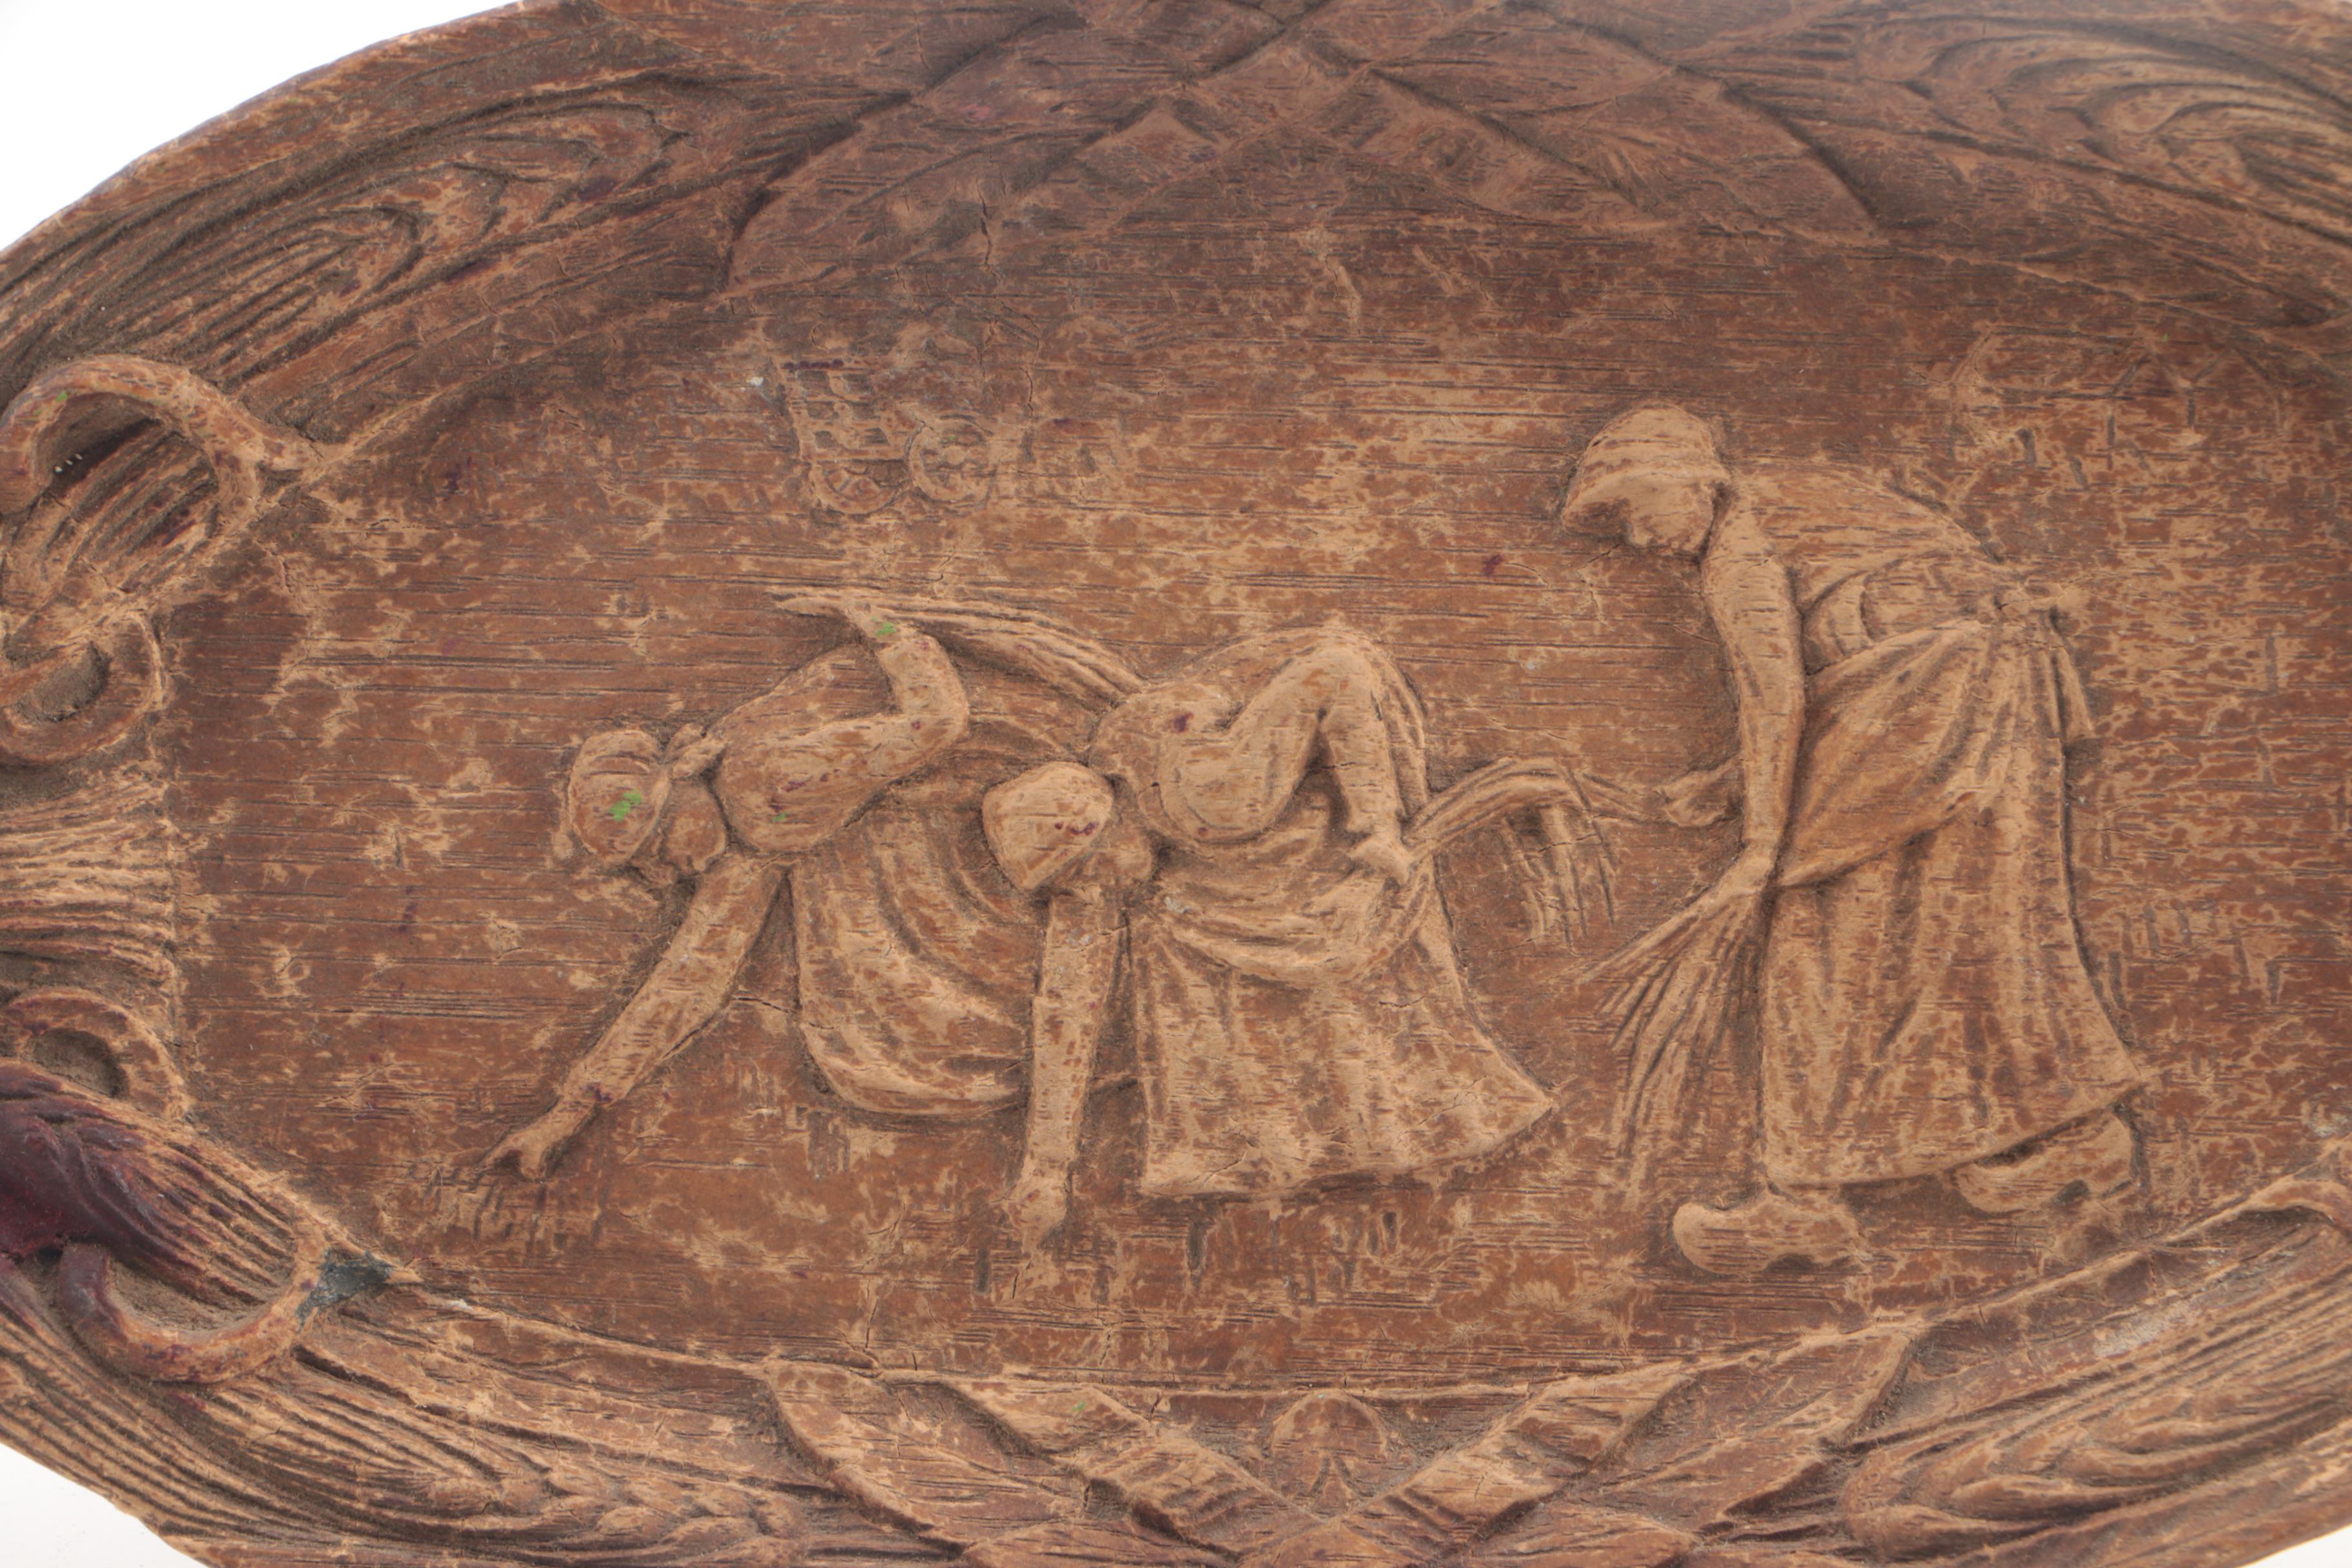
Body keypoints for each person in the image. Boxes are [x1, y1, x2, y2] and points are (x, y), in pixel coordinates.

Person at [1567, 406, 2143, 1274]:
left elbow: (1776, 697)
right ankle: (2080, 1138)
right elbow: (1849, 672)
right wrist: (1730, 782)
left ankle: (1804, 1202)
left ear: (1692, 478)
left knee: (1818, 939)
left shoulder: (1742, 550)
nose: (1639, 538)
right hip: (1983, 696)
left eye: (1635, 507)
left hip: (1940, 701)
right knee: (1977, 928)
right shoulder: (1798, 496)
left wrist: (1759, 851)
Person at [985, 624, 1558, 1247]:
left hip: (1324, 817)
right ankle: (1261, 1142)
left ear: (1096, 832)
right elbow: (1069, 1003)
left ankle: (1385, 1118)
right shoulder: (1109, 854)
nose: (1090, 893)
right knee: (1164, 921)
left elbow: (1338, 668)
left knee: (1181, 917)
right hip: (1240, 848)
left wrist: (1377, 827)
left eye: (1081, 876)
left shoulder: (1212, 794)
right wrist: (1046, 1169)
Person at [486, 593, 1032, 1177]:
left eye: (653, 853)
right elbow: (690, 978)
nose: (662, 876)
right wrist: (566, 1116)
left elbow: (939, 723)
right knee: (872, 1020)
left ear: (683, 788)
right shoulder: (742, 826)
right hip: (907, 809)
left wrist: (888, 630)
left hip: (998, 756)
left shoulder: (766, 782)